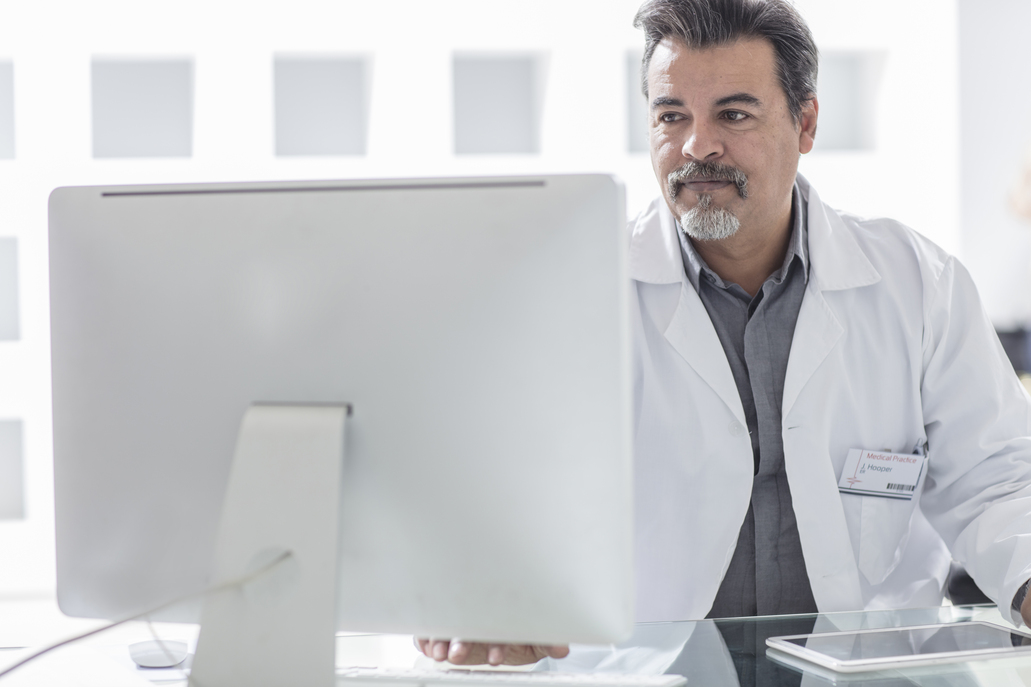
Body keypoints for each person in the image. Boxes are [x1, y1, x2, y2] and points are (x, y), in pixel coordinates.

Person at [419, 0, 1031, 666]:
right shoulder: (571, 295)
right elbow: (493, 491)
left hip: (869, 670)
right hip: (642, 671)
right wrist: (467, 582)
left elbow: (995, 479)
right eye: (670, 115)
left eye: (732, 115)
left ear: (805, 123)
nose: (695, 146)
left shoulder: (917, 283)